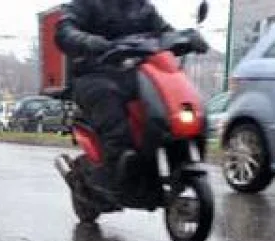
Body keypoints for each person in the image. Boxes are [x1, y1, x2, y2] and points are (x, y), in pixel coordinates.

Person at [56, 0, 200, 198]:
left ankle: (162, 163)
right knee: (113, 113)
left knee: (167, 112)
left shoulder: (143, 7)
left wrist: (187, 38)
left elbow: (165, 32)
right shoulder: (86, 3)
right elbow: (65, 30)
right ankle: (114, 176)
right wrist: (89, 41)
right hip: (93, 74)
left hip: (135, 74)